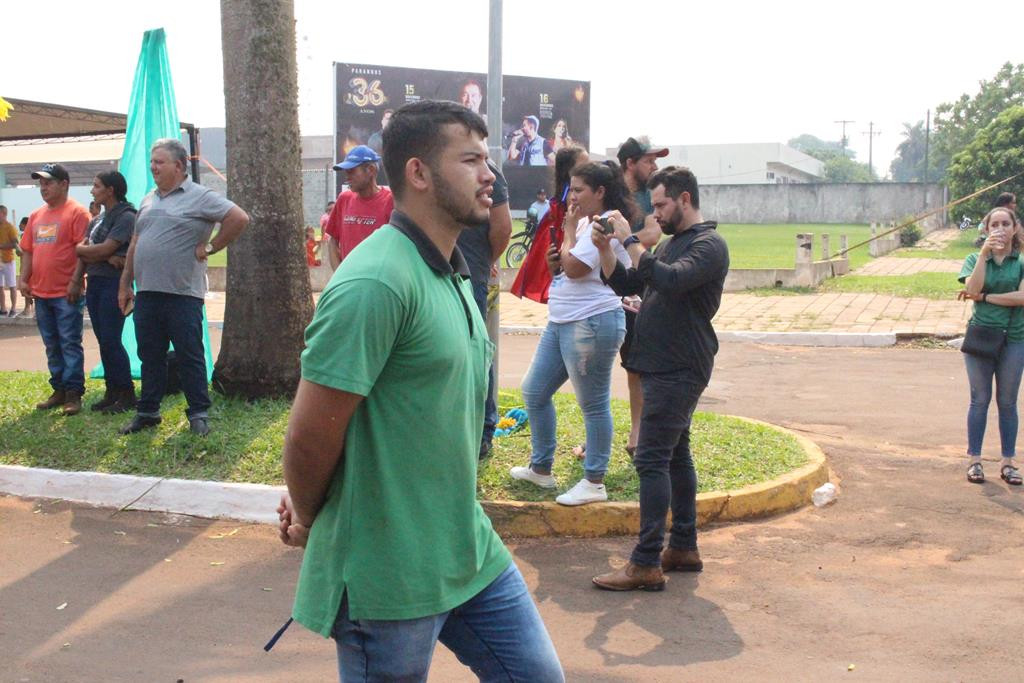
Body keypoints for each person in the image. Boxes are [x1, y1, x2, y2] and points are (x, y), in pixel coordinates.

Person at [276, 99, 563, 682]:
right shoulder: (376, 281)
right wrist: (309, 517)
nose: (491, 175)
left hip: (465, 548)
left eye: (489, 159)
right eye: (472, 160)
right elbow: (309, 436)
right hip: (387, 572)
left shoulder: (452, 270)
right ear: (419, 173)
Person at [590, 166, 729, 591]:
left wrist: (629, 239)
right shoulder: (673, 244)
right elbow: (632, 282)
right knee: (675, 456)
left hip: (680, 367)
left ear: (685, 199)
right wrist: (606, 250)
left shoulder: (708, 245)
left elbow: (669, 281)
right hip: (662, 364)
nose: (657, 213)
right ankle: (683, 547)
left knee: (650, 459)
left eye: (663, 204)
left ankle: (646, 561)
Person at [510, 161, 635, 506]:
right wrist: (558, 262)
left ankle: (594, 481)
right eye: (571, 189)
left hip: (591, 321)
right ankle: (541, 468)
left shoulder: (604, 222)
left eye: (579, 189)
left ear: (600, 192)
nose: (572, 196)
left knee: (593, 404)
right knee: (534, 391)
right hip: (563, 319)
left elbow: (577, 269)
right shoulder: (582, 223)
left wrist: (565, 235)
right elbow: (566, 269)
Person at [117, 138, 250, 436]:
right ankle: (148, 411)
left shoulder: (200, 196)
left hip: (183, 294)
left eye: (159, 162)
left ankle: (199, 413)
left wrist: (213, 246)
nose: (153, 167)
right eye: (152, 162)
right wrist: (125, 283)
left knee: (189, 354)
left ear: (178, 166)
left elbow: (239, 218)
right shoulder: (148, 199)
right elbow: (136, 243)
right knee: (150, 355)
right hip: (147, 293)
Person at [17, 164, 91, 415]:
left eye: (48, 182)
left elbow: (84, 252)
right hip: (41, 292)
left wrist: (75, 282)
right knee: (51, 344)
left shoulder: (77, 213)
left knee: (69, 342)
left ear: (64, 184)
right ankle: (58, 389)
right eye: (41, 184)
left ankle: (73, 393)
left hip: (66, 293)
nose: (44, 188)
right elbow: (28, 250)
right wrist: (24, 279)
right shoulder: (37, 215)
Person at [958, 206, 1024, 486]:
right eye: (994, 224)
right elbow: (972, 288)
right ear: (985, 229)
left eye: (1005, 223)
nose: (1000, 228)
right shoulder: (974, 258)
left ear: (1015, 228)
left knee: (1007, 402)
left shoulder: (1020, 262)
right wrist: (984, 255)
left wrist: (985, 298)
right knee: (979, 400)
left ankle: (1008, 462)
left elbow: (1021, 298)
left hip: (1014, 338)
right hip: (982, 337)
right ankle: (975, 460)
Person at [616, 136, 670, 457]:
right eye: (649, 161)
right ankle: (597, 433)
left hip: (634, 287)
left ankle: (636, 435)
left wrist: (620, 238)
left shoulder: (650, 197)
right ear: (630, 163)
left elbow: (653, 234)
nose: (655, 166)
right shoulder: (609, 191)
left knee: (635, 365)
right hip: (600, 288)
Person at [457, 156, 512, 459]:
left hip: (472, 273)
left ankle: (483, 431)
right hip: (437, 270)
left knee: (477, 352)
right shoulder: (439, 163)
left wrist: (485, 261)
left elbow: (503, 228)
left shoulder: (490, 173)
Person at [71, 171, 137, 413]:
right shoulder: (97, 219)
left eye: (96, 186)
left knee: (111, 339)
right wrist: (77, 278)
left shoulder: (127, 217)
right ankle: (112, 391)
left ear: (111, 190)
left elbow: (100, 249)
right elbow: (89, 252)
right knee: (103, 340)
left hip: (114, 284)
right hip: (97, 282)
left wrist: (90, 251)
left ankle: (127, 393)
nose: (92, 190)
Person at [509, 145, 589, 303]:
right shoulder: (572, 193)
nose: (590, 169)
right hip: (570, 244)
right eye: (584, 166)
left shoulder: (567, 191)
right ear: (569, 170)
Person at [323, 145, 394, 270]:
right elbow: (332, 241)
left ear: (371, 170)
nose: (347, 176)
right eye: (346, 171)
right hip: (348, 283)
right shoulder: (344, 199)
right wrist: (338, 276)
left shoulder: (390, 201)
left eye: (351, 171)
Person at [0, 205, 20, 317]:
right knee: (0, 286)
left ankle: (13, 308)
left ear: (3, 214)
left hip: (8, 260)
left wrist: (2, 246)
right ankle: (3, 308)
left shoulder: (10, 228)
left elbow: (15, 243)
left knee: (12, 285)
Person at [17, 216, 33, 317]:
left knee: (28, 287)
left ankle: (28, 309)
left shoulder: (27, 236)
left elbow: (23, 251)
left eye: (21, 224)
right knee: (26, 287)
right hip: (24, 264)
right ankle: (28, 308)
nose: (19, 226)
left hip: (28, 265)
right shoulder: (24, 235)